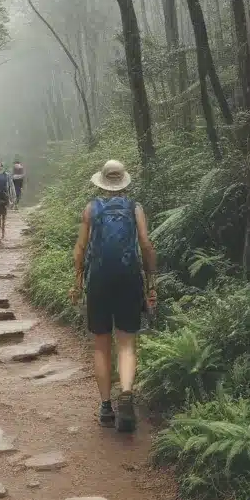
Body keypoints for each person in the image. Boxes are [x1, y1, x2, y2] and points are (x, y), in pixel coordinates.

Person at [69, 158, 156, 432]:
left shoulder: (91, 208)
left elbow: (80, 248)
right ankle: (127, 394)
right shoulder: (135, 208)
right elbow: (145, 245)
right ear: (124, 182)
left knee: (101, 344)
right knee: (127, 343)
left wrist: (77, 282)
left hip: (99, 281)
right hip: (129, 279)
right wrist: (151, 282)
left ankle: (106, 406)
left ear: (103, 182)